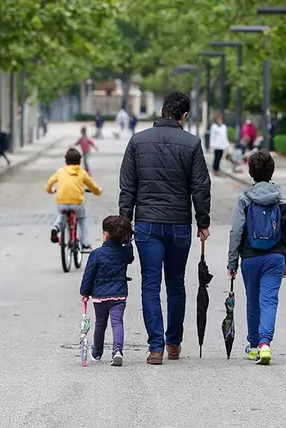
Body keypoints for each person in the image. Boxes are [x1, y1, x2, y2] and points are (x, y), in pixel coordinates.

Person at [119, 91, 211, 365]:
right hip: (179, 225)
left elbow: (128, 187)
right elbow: (200, 186)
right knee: (176, 283)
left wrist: (125, 222)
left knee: (150, 283)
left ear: (161, 111)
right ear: (184, 116)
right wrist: (202, 221)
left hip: (147, 224)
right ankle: (174, 343)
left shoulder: (137, 141)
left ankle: (155, 347)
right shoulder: (192, 144)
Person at [227, 151, 286, 365]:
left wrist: (232, 261)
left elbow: (236, 231)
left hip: (250, 257)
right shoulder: (281, 197)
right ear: (272, 171)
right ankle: (265, 343)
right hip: (275, 256)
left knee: (253, 301)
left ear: (251, 172)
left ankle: (254, 346)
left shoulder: (244, 198)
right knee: (269, 300)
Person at [80, 215, 135, 366]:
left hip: (100, 296)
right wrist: (128, 242)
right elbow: (131, 257)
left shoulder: (97, 254)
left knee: (100, 324)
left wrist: (85, 292)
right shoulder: (124, 253)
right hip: (119, 294)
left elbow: (89, 275)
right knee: (117, 323)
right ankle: (117, 351)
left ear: (106, 234)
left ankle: (97, 352)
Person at [47, 148, 102, 250]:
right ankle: (85, 242)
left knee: (62, 214)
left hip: (62, 202)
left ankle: (56, 228)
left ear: (66, 161)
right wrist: (98, 191)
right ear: (80, 161)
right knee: (82, 218)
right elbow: (92, 186)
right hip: (76, 203)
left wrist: (51, 190)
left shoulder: (60, 171)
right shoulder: (82, 172)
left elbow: (50, 182)